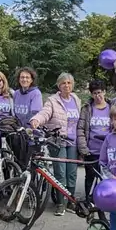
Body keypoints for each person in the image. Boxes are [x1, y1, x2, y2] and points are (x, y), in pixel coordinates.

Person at [30, 72, 81, 215]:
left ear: (72, 85)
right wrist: (36, 120)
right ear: (59, 85)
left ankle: (71, 201)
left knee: (72, 173)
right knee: (60, 173)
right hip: (58, 141)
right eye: (63, 83)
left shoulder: (76, 99)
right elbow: (45, 113)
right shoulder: (52, 100)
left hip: (73, 141)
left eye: (69, 83)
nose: (66, 85)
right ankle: (60, 203)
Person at [78, 79, 112, 201]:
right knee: (90, 178)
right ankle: (89, 201)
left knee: (105, 178)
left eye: (99, 92)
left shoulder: (112, 108)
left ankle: (104, 201)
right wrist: (83, 148)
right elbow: (81, 129)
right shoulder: (87, 109)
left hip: (107, 151)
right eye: (95, 93)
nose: (98, 96)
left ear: (104, 92)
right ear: (91, 94)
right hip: (91, 151)